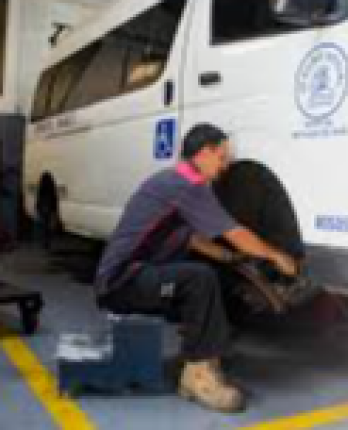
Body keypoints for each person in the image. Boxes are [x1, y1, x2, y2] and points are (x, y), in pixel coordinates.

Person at [94, 123, 298, 412]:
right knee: (199, 279)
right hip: (121, 281)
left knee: (211, 274)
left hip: (140, 275)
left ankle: (200, 355)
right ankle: (198, 378)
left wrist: (229, 258)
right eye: (222, 157)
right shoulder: (186, 185)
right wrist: (278, 256)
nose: (225, 166)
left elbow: (191, 238)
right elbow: (235, 233)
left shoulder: (175, 181)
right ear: (204, 152)